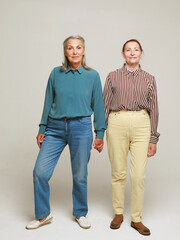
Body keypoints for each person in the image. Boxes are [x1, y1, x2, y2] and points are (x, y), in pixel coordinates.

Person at [26, 35, 105, 230]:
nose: (75, 51)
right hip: (54, 128)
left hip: (81, 127)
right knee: (40, 171)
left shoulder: (92, 75)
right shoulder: (55, 73)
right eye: (70, 48)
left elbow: (99, 106)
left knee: (80, 174)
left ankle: (80, 212)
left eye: (78, 47)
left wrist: (100, 133)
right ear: (65, 52)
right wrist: (42, 128)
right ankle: (43, 215)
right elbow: (47, 102)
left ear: (84, 51)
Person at [103, 39, 160, 235]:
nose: (132, 53)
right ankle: (118, 213)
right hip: (117, 121)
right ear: (123, 54)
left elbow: (154, 109)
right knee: (118, 172)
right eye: (128, 50)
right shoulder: (112, 76)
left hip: (142, 124)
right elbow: (104, 104)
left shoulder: (149, 78)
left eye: (136, 50)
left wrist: (153, 138)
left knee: (138, 175)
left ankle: (136, 218)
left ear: (141, 53)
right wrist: (99, 134)